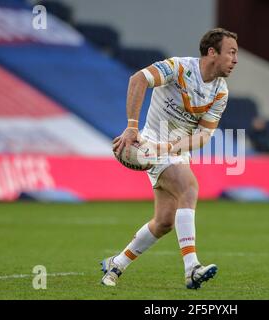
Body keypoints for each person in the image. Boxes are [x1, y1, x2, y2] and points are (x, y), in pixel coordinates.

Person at [101, 28, 238, 289]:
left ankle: (116, 264)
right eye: (231, 53)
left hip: (173, 148)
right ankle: (192, 269)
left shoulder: (221, 91)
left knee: (164, 221)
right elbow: (138, 79)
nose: (235, 60)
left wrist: (172, 146)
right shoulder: (178, 68)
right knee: (189, 187)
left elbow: (203, 136)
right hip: (149, 144)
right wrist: (132, 127)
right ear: (212, 52)